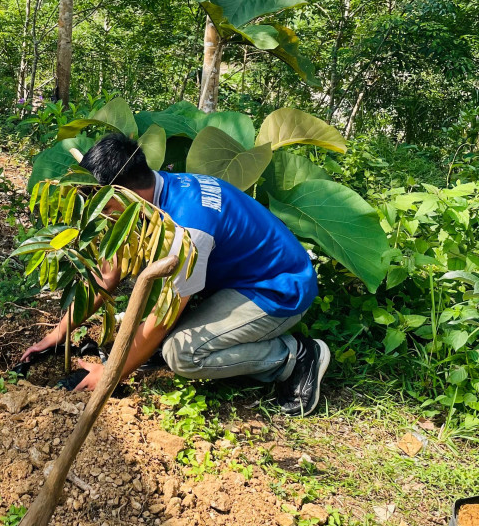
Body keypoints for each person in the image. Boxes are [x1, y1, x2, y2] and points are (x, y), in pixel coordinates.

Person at [20, 133, 331, 416]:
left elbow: (162, 318)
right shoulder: (155, 193)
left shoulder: (186, 229)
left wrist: (110, 374)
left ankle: (294, 357)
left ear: (120, 191)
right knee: (152, 335)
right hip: (236, 279)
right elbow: (108, 274)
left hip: (277, 290)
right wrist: (56, 335)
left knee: (181, 353)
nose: (97, 210)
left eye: (98, 200)